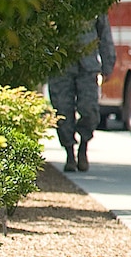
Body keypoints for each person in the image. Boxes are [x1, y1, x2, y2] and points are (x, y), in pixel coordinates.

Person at [47, 12, 115, 174]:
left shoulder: (93, 0)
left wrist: (108, 63)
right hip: (61, 65)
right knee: (62, 111)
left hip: (88, 66)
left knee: (89, 109)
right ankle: (70, 152)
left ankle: (84, 145)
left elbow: (104, 33)